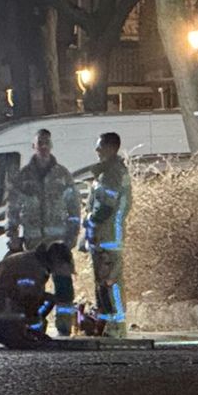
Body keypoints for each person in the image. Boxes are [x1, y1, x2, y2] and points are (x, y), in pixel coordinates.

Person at [5, 129, 81, 334]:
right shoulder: (23, 177)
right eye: (40, 143)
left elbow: (74, 208)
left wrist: (72, 235)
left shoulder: (62, 175)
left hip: (58, 241)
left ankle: (64, 326)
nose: (44, 146)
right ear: (34, 146)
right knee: (32, 286)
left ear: (51, 145)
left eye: (47, 142)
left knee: (63, 284)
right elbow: (12, 209)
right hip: (33, 242)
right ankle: (34, 326)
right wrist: (12, 235)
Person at [0, 242, 75, 350]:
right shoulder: (33, 269)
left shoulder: (31, 260)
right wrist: (30, 330)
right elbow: (28, 299)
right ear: (57, 261)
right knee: (25, 344)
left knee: (47, 300)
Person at [83, 132, 130, 336]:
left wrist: (91, 221)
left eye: (100, 146)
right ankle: (106, 323)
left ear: (111, 148)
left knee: (111, 282)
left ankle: (117, 326)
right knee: (104, 283)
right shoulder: (109, 171)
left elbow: (105, 206)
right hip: (105, 235)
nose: (97, 150)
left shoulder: (111, 173)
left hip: (108, 236)